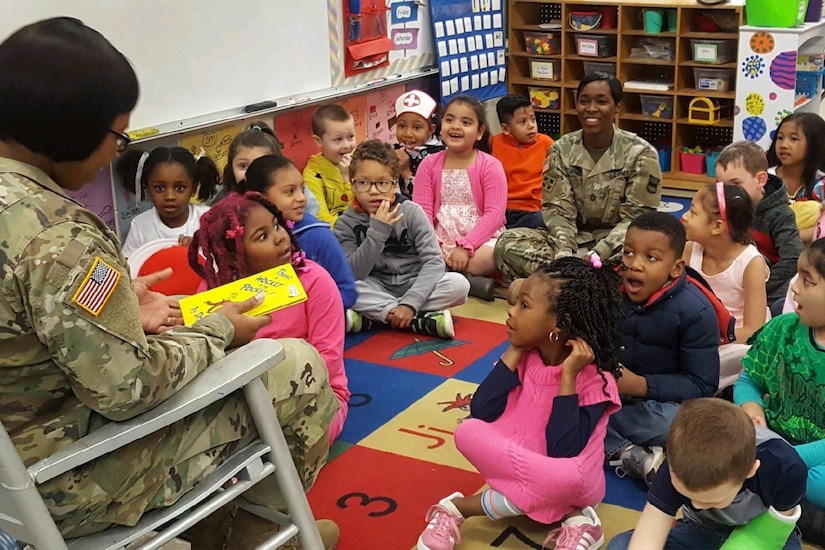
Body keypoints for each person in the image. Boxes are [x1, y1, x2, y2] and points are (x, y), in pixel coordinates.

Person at [0, 17, 339, 549]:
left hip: (11, 478)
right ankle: (252, 533)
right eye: (117, 135)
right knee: (296, 366)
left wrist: (121, 314)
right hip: (67, 482)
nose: (117, 150)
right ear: (72, 128)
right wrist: (216, 329)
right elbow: (127, 389)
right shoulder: (56, 235)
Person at [417, 257, 622, 550]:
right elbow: (483, 410)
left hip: (567, 477)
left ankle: (459, 508)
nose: (511, 312)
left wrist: (568, 377)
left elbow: (564, 449)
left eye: (524, 306)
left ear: (560, 324)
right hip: (529, 466)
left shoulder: (595, 380)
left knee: (563, 479)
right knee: (468, 431)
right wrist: (515, 350)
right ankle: (579, 521)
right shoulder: (525, 359)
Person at [189, 191, 350, 444]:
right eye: (262, 236)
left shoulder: (315, 281)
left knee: (291, 441)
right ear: (233, 255)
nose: (279, 237)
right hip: (239, 400)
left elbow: (327, 360)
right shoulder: (215, 293)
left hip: (315, 394)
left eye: (276, 225)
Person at [494, 72, 662, 280]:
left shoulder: (641, 153)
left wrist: (601, 251)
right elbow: (558, 210)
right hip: (574, 241)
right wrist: (565, 251)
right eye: (584, 101)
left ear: (617, 107)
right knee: (507, 244)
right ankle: (586, 279)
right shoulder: (561, 150)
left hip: (619, 245)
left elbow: (638, 219)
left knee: (649, 258)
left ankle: (566, 280)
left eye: (601, 102)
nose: (591, 109)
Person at [607, 212, 719, 487]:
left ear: (676, 267)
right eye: (629, 253)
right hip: (604, 394)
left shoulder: (696, 311)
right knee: (554, 398)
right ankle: (630, 454)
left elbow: (702, 385)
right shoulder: (608, 289)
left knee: (684, 425)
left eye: (651, 258)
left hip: (659, 406)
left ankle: (607, 441)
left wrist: (641, 386)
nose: (634, 265)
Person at [607, 398, 806, 550]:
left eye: (710, 500)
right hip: (703, 529)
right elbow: (649, 535)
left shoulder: (784, 468)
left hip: (762, 527)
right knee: (621, 545)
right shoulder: (679, 464)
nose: (695, 505)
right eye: (690, 496)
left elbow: (765, 537)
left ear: (750, 470)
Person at [734, 237, 825, 546]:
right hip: (772, 440)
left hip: (812, 460)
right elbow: (748, 381)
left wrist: (788, 460)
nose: (793, 287)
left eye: (807, 281)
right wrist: (752, 407)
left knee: (816, 484)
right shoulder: (782, 329)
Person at [334, 140, 469, 338]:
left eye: (382, 183)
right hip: (375, 285)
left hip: (414, 282)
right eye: (363, 183)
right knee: (338, 287)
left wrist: (410, 303)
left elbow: (433, 262)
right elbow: (353, 273)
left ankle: (374, 317)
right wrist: (377, 233)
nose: (373, 191)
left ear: (394, 184)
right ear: (352, 184)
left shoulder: (412, 212)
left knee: (459, 285)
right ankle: (415, 320)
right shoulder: (345, 223)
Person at [413, 94, 507, 301]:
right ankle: (465, 281)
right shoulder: (428, 164)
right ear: (440, 125)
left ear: (480, 132)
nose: (456, 126)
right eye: (449, 120)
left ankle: (451, 276)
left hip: (480, 241)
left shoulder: (490, 165)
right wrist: (432, 244)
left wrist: (466, 247)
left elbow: (495, 215)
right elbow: (423, 213)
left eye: (466, 122)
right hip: (439, 240)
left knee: (490, 256)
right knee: (417, 254)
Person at [239, 154, 358, 309]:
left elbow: (348, 292)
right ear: (259, 197)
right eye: (290, 191)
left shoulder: (318, 235)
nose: (302, 197)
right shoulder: (241, 236)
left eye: (302, 189)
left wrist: (306, 312)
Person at [682, 182, 770, 390]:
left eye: (693, 213)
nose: (684, 216)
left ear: (717, 226)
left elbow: (753, 329)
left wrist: (705, 341)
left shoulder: (750, 263)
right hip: (698, 332)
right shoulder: (688, 251)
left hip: (735, 339)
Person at [716, 140, 803, 305]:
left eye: (736, 184)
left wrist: (757, 285)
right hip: (735, 280)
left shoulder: (780, 215)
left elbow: (793, 259)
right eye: (721, 185)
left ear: (760, 179)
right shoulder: (723, 207)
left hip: (769, 289)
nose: (728, 192)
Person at [116, 146, 219, 258]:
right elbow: (130, 264)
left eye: (180, 188)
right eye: (159, 188)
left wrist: (200, 247)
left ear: (193, 189)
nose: (170, 196)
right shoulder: (140, 226)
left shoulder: (207, 218)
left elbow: (224, 257)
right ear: (147, 189)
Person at [217, 120, 320, 213]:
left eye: (260, 164)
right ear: (232, 167)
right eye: (243, 166)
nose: (251, 172)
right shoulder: (222, 205)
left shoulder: (299, 194)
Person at [491, 94, 554, 230]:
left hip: (533, 211)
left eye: (533, 119)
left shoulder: (546, 143)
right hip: (501, 211)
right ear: (506, 129)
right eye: (522, 122)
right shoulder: (493, 144)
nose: (531, 126)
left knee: (553, 219)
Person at [766, 112, 825, 243]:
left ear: (814, 144)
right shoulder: (765, 179)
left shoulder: (821, 184)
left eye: (793, 139)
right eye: (780, 138)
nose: (784, 145)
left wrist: (790, 238)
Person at [304, 104, 356, 226]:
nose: (346, 145)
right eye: (338, 139)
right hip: (339, 234)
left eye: (351, 137)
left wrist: (349, 182)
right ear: (318, 141)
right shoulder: (312, 176)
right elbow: (320, 218)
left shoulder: (360, 160)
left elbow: (369, 203)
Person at [393, 89, 444, 197]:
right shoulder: (394, 150)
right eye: (402, 126)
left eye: (417, 127)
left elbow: (427, 197)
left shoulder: (439, 156)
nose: (408, 134)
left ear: (431, 129)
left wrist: (406, 171)